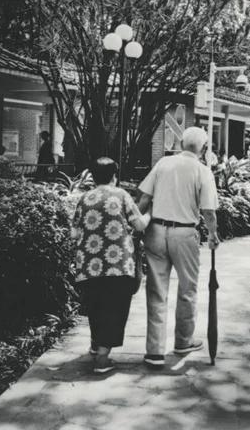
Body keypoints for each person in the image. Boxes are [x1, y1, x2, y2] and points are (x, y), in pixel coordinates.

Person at [138, 126, 220, 368]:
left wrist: (133, 227)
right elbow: (208, 211)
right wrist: (213, 235)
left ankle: (154, 351)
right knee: (187, 290)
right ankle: (183, 342)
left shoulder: (163, 163)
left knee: (156, 291)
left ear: (181, 143)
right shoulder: (203, 171)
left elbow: (144, 199)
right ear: (204, 149)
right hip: (185, 234)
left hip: (155, 230)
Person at [72, 157, 151, 374]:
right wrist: (150, 212)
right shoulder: (121, 195)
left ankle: (96, 346)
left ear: (93, 177)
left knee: (95, 306)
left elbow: (74, 233)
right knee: (114, 310)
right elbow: (140, 224)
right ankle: (102, 360)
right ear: (115, 176)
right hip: (118, 265)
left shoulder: (84, 198)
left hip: (89, 265)